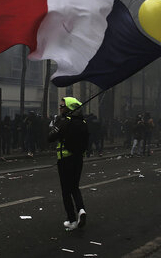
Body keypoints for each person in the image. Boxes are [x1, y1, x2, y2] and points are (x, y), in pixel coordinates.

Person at [48, 97, 88, 231]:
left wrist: (54, 126)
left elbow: (50, 137)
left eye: (62, 106)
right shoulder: (83, 122)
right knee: (75, 187)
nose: (60, 108)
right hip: (78, 159)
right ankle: (81, 209)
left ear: (69, 108)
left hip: (65, 159)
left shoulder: (64, 122)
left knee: (66, 191)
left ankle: (71, 220)